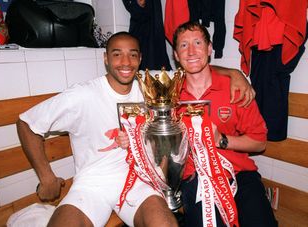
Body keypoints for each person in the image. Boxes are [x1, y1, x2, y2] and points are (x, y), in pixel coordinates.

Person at [16, 31, 253, 227]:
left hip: (140, 178)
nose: (125, 62)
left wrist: (235, 73)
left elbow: (192, 69)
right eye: (117, 55)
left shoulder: (149, 85)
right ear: (105, 58)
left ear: (140, 60)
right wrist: (46, 177)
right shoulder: (83, 94)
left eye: (132, 55)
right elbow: (26, 123)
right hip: (92, 183)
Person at [172, 21, 278, 226]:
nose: (191, 51)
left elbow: (259, 143)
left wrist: (221, 140)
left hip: (239, 174)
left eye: (198, 42)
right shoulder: (169, 95)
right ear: (176, 55)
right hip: (196, 179)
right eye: (183, 45)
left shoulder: (236, 89)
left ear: (210, 48)